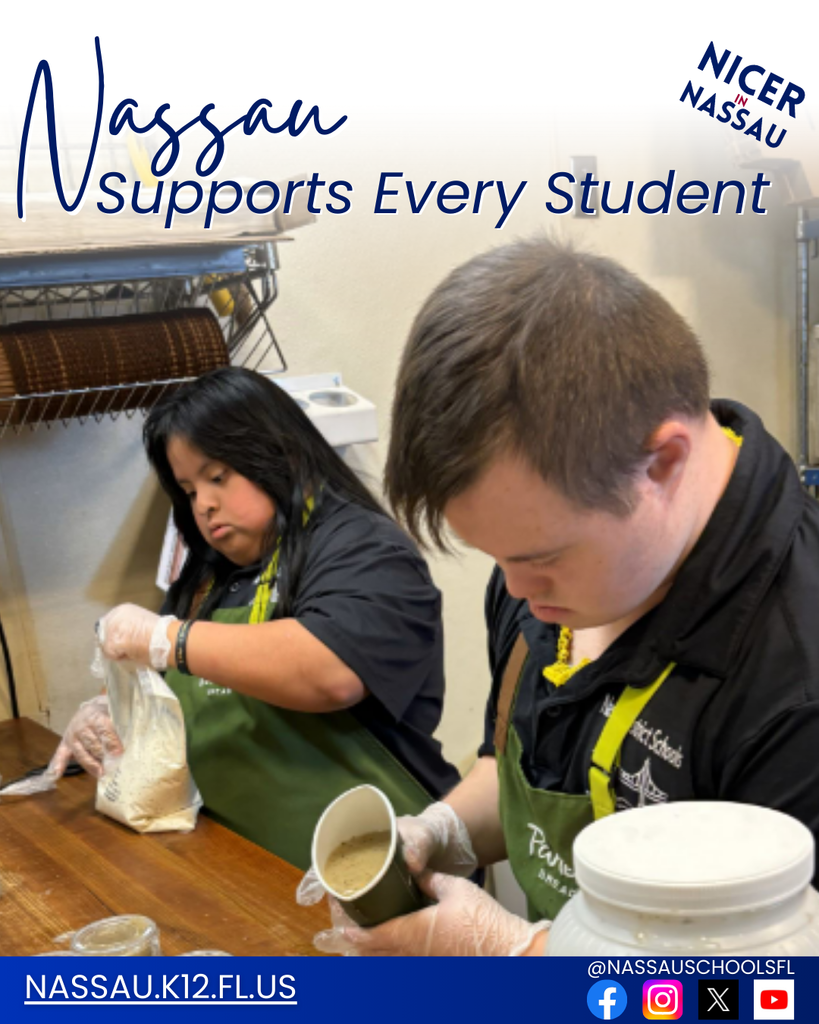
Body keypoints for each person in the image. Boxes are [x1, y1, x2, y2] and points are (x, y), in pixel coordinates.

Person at [300, 237, 819, 955]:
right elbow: (519, 764)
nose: (515, 589)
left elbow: (766, 995)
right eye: (495, 558)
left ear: (663, 462)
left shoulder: (796, 682)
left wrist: (518, 956)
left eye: (538, 558)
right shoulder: (540, 579)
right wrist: (443, 830)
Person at [53, 366, 459, 869]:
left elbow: (329, 671)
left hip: (381, 870)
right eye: (189, 490)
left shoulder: (365, 549)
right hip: (239, 865)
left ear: (281, 453)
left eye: (217, 477)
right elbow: (157, 680)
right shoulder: (207, 572)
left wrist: (168, 639)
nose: (204, 505)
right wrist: (106, 709)